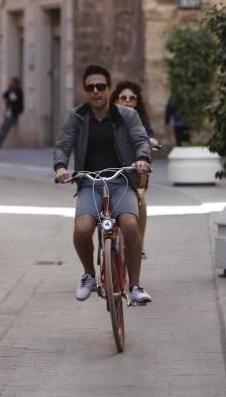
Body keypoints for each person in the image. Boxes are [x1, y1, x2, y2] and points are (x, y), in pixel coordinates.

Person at [54, 64, 152, 305]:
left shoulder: (127, 115)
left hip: (121, 180)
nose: (96, 91)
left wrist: (141, 159)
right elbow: (63, 145)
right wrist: (61, 168)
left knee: (130, 224)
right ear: (85, 91)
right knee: (83, 229)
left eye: (100, 86)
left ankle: (135, 286)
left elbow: (141, 139)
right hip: (89, 182)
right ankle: (89, 275)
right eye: (90, 87)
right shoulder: (77, 117)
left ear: (109, 89)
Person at [111, 80, 158, 259]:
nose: (128, 101)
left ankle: (140, 244)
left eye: (132, 98)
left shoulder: (141, 120)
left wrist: (151, 141)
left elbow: (149, 136)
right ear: (116, 100)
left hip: (135, 172)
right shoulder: (109, 118)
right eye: (123, 97)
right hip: (113, 169)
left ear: (137, 102)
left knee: (141, 201)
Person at [0, 77, 24, 147]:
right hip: (8, 112)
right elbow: (5, 95)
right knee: (3, 127)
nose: (11, 84)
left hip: (13, 113)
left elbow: (18, 103)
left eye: (13, 83)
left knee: (5, 128)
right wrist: (10, 89)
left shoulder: (18, 91)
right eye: (11, 83)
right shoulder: (11, 90)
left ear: (16, 83)